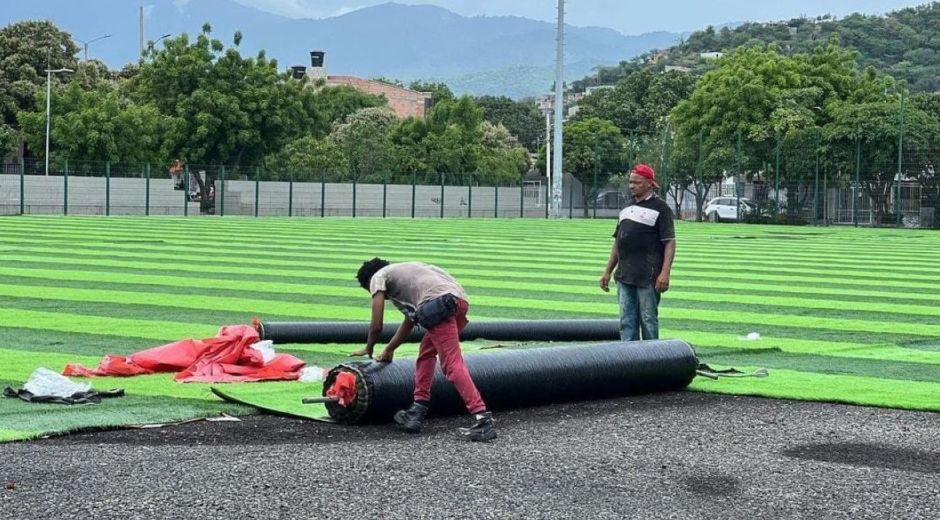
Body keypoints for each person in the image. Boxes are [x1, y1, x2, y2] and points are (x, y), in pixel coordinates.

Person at [350, 258, 496, 442]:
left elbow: (377, 324)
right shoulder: (409, 269)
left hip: (438, 304)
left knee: (452, 364)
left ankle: (482, 418)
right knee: (426, 353)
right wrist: (389, 349)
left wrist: (368, 347)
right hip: (458, 302)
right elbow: (410, 321)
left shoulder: (378, 277)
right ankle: (417, 411)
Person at [599, 164, 676, 341]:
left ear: (649, 183)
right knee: (626, 320)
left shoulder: (661, 208)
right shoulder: (626, 208)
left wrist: (665, 273)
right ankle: (630, 360)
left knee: (648, 320)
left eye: (637, 182)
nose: (632, 186)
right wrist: (608, 271)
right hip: (625, 274)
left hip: (648, 275)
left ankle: (651, 360)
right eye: (630, 182)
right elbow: (618, 241)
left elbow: (670, 242)